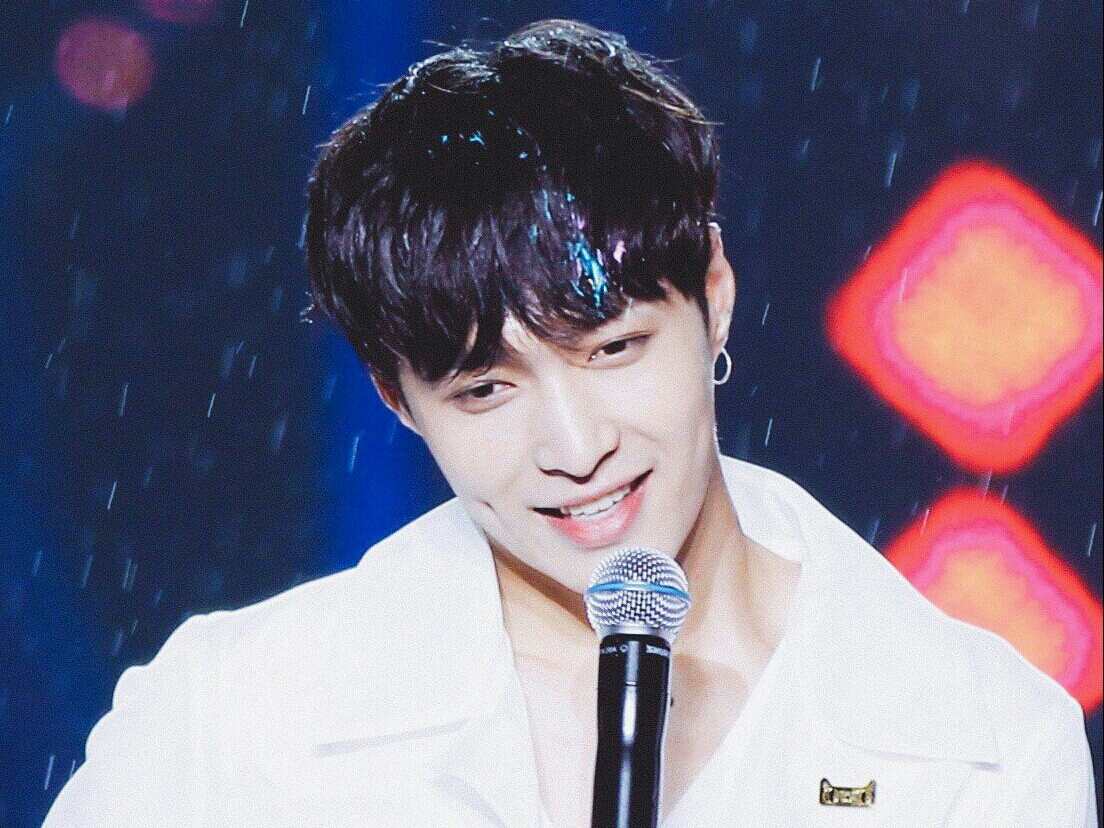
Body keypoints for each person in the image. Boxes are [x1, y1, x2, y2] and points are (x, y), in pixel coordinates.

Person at [44, 18, 1097, 828]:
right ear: (395, 398)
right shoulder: (233, 721)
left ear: (714, 293)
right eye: (485, 391)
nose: (577, 447)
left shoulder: (985, 743)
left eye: (613, 350)